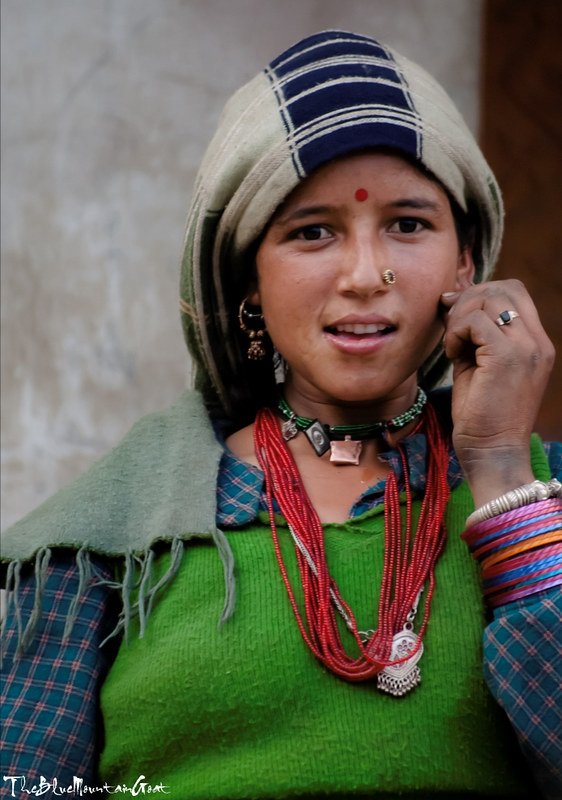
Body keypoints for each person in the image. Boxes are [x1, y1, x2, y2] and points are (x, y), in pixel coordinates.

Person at [2, 29, 561, 800]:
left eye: (408, 223)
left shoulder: (543, 493)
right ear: (249, 282)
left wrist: (499, 467)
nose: (367, 275)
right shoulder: (115, 532)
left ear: (466, 264)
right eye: (312, 232)